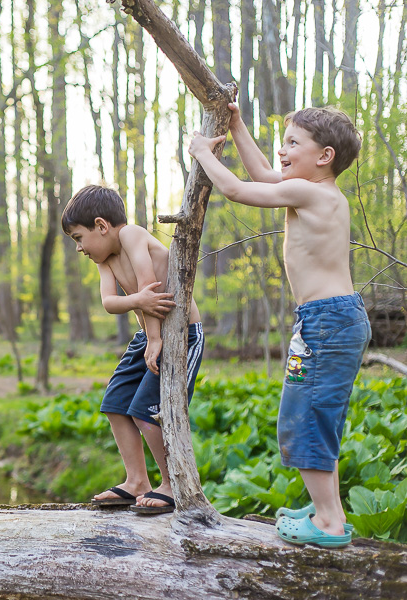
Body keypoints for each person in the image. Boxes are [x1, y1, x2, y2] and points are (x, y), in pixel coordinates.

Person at [189, 104, 370, 548]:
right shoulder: (312, 190)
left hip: (326, 322)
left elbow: (234, 188)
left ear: (324, 156)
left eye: (294, 143)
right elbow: (265, 172)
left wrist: (200, 152)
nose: (282, 150)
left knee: (305, 418)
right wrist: (236, 127)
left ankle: (328, 523)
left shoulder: (315, 194)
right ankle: (328, 509)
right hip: (328, 320)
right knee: (315, 416)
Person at [63, 184, 205, 515]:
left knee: (148, 410)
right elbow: (110, 302)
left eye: (79, 238)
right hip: (147, 336)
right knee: (115, 403)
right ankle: (136, 481)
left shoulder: (132, 235)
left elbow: (148, 284)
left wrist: (155, 337)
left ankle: (172, 484)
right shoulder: (105, 259)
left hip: (181, 335)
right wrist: (141, 314)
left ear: (101, 226)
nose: (79, 248)